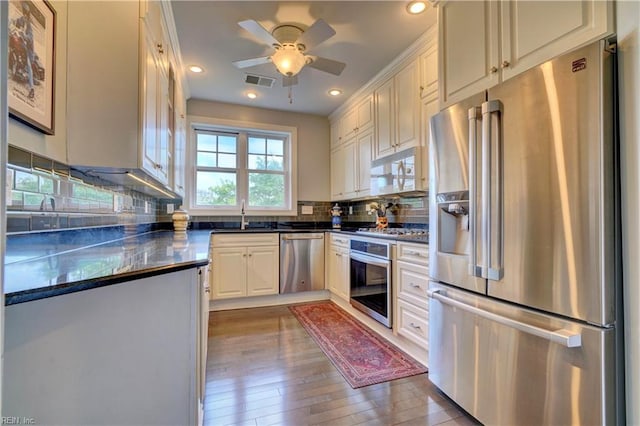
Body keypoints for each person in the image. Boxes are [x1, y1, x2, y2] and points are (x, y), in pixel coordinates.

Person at [14, 2, 35, 99]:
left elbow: (30, 38)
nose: (25, 15)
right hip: (21, 45)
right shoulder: (21, 20)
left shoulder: (29, 26)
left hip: (28, 50)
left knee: (28, 65)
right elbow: (15, 22)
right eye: (24, 13)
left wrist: (24, 35)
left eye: (26, 14)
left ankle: (32, 89)